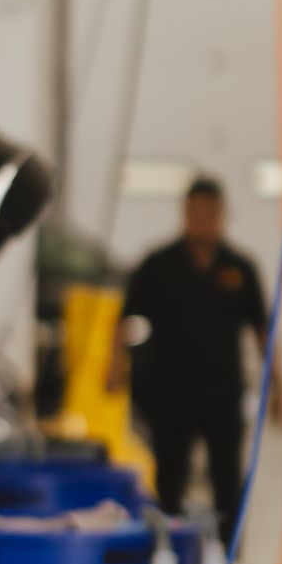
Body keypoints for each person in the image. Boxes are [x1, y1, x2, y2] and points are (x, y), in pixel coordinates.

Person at [113, 175, 272, 543]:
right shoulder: (158, 265)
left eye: (210, 213)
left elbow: (261, 328)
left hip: (222, 393)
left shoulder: (239, 268)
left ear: (222, 215)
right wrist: (115, 365)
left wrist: (277, 386)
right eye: (195, 212)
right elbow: (125, 320)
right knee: (169, 476)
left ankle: (227, 555)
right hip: (170, 393)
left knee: (226, 480)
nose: (202, 220)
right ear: (184, 213)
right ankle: (167, 549)